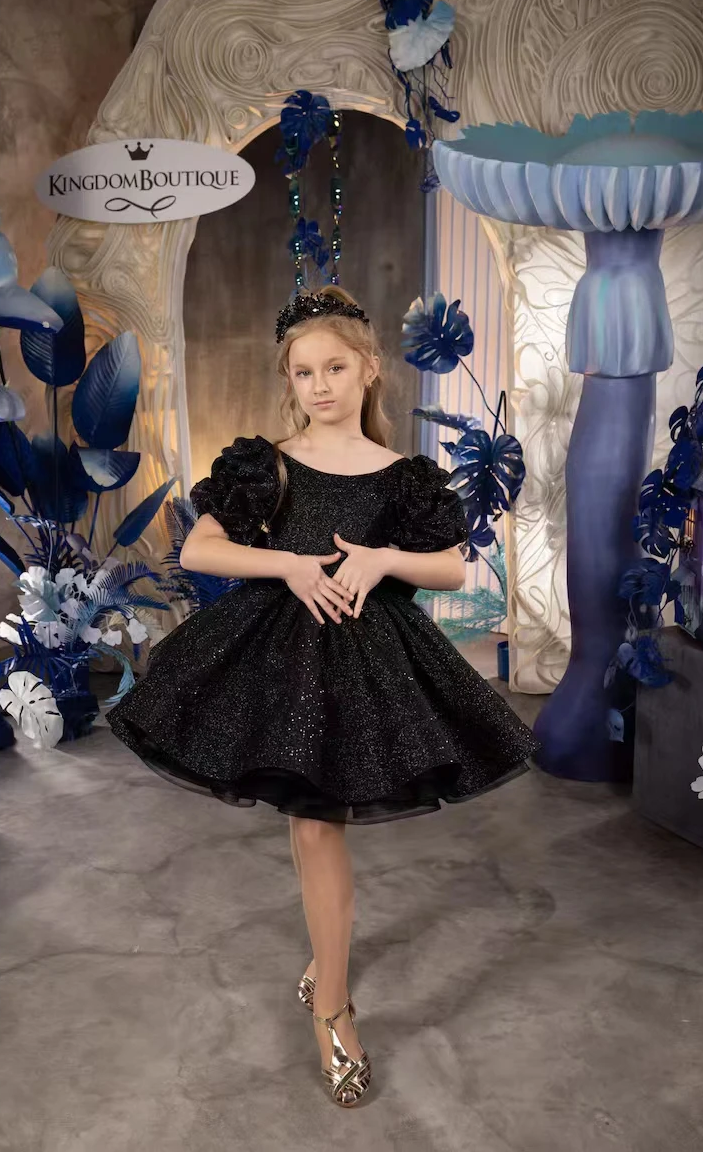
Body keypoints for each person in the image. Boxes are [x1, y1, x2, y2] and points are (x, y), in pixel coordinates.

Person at [107, 286, 539, 1107]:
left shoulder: (404, 476)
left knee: (328, 822)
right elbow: (203, 545)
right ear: (290, 381)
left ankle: (326, 967)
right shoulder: (264, 461)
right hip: (279, 661)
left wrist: (380, 560)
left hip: (372, 667)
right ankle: (334, 1006)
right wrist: (292, 565)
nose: (321, 385)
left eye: (335, 366)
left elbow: (451, 566)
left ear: (369, 370)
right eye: (303, 373)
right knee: (313, 827)